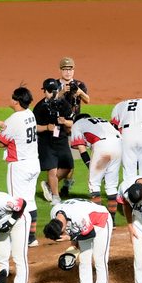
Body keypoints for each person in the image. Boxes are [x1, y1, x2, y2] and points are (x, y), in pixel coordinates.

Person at [0, 87, 40, 247]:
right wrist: (2, 124)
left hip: (19, 166)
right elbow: (16, 129)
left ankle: (20, 236)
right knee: (30, 200)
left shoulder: (14, 119)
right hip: (34, 163)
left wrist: (2, 127)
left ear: (16, 101)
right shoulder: (29, 114)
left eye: (12, 97)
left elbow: (1, 143)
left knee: (16, 202)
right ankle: (31, 237)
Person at [43, 199, 112, 283]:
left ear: (62, 227)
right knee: (84, 260)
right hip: (85, 224)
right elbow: (74, 230)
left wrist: (70, 237)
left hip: (101, 222)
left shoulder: (77, 215)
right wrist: (72, 252)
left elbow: (90, 233)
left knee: (100, 260)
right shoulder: (54, 213)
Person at [70, 114, 122, 223]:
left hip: (102, 145)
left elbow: (82, 149)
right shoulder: (101, 120)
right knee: (111, 186)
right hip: (118, 144)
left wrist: (91, 167)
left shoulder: (77, 124)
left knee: (94, 184)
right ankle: (112, 222)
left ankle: (99, 221)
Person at [34, 78, 74, 206]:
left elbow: (72, 122)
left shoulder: (64, 104)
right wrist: (46, 127)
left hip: (61, 139)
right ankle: (56, 197)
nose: (52, 93)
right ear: (44, 91)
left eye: (54, 91)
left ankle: (48, 184)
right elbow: (34, 127)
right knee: (52, 169)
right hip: (46, 141)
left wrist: (65, 122)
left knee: (68, 167)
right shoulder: (39, 107)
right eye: (49, 91)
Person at [55, 57, 90, 197]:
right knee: (59, 158)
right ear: (60, 70)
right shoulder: (55, 84)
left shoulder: (79, 84)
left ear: (73, 70)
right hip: (58, 125)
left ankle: (66, 184)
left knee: (71, 158)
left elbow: (87, 100)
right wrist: (61, 92)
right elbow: (49, 100)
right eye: (65, 69)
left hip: (74, 126)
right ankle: (54, 184)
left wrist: (80, 92)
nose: (68, 72)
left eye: (70, 69)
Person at [111, 97, 142, 182]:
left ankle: (130, 189)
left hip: (127, 134)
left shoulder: (119, 105)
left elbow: (114, 126)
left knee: (129, 172)